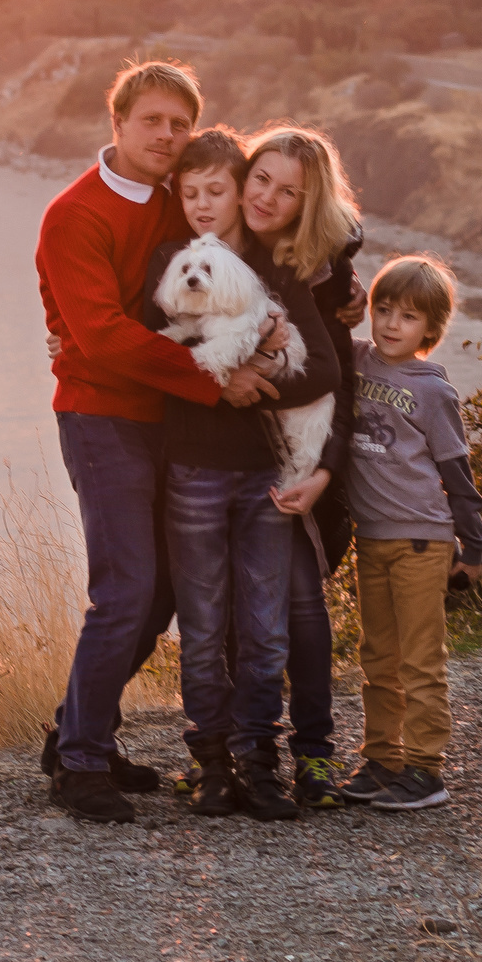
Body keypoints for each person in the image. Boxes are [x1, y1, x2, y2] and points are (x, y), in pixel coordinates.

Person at [35, 61, 277, 825]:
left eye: (180, 123)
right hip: (104, 415)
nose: (168, 136)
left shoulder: (182, 203)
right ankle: (78, 766)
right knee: (126, 587)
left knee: (167, 586)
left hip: (172, 423)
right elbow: (101, 336)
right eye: (153, 121)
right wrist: (215, 381)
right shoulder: (75, 214)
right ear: (118, 122)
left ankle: (81, 734)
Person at [138, 129, 340, 821]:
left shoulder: (280, 272)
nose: (210, 203)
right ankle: (212, 763)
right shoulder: (171, 263)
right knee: (201, 627)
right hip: (192, 468)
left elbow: (328, 370)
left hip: (262, 474)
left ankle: (262, 759)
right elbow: (145, 351)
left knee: (266, 628)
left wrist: (252, 381)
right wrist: (214, 382)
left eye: (219, 190)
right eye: (194, 193)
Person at [239, 124, 366, 807]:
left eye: (289, 192)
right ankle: (242, 750)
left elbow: (337, 382)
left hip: (300, 465)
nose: (268, 197)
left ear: (307, 205)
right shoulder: (210, 246)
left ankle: (314, 755)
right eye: (260, 178)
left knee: (302, 610)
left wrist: (325, 472)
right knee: (232, 612)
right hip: (220, 460)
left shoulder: (320, 276)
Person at [339, 255, 482, 812]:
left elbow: (457, 474)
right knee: (376, 655)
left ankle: (426, 770)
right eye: (383, 309)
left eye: (408, 316)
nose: (392, 323)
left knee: (419, 660)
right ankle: (381, 760)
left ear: (431, 329)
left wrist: (473, 547)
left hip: (423, 542)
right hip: (371, 538)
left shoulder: (432, 391)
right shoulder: (354, 360)